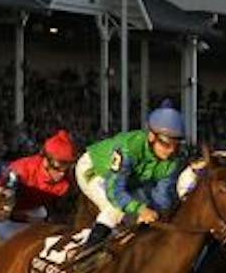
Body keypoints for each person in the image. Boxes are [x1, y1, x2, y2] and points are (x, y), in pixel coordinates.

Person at [71, 105, 192, 256]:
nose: (171, 151)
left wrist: (156, 216)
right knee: (115, 208)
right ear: (151, 137)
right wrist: (140, 209)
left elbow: (162, 199)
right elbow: (114, 191)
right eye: (166, 144)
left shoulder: (173, 161)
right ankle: (87, 252)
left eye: (176, 145)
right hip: (94, 170)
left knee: (141, 218)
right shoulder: (129, 147)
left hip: (129, 180)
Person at [1, 129, 80, 223]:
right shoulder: (20, 170)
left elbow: (65, 215)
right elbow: (0, 205)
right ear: (46, 161)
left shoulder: (68, 181)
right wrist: (22, 218)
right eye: (58, 167)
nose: (62, 173)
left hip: (35, 215)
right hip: (6, 217)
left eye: (67, 167)